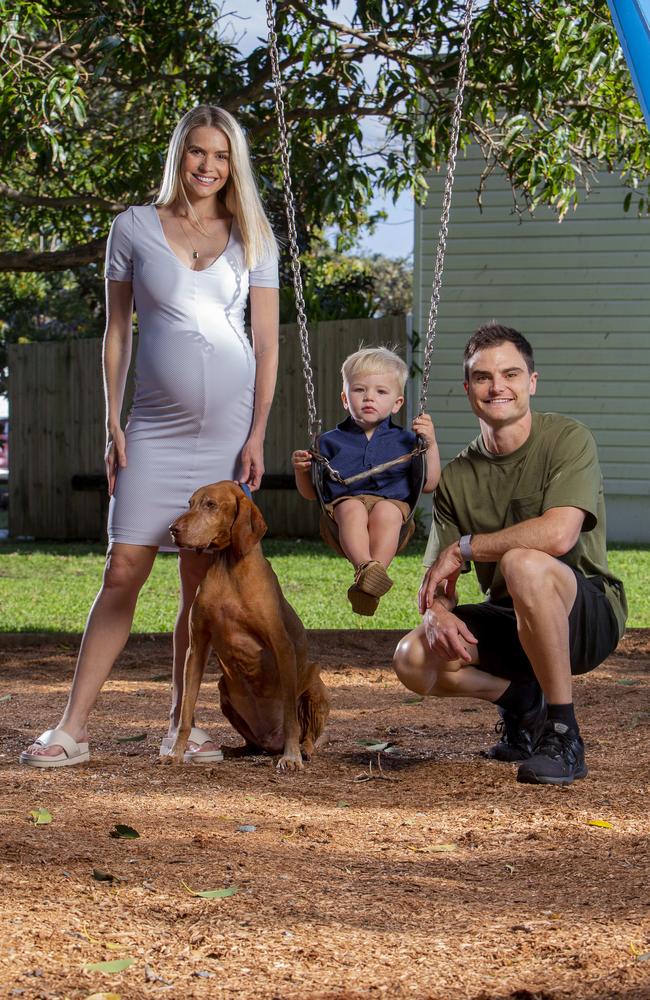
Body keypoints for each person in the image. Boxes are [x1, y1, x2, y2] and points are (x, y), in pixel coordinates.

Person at [20, 105, 279, 767]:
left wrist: (258, 433)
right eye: (197, 152)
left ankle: (182, 726)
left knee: (200, 586)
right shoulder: (132, 227)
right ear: (179, 154)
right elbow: (117, 332)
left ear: (233, 164)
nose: (208, 166)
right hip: (155, 429)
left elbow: (267, 344)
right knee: (123, 569)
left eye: (221, 156)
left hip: (224, 432)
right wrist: (113, 420)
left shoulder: (253, 233)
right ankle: (72, 729)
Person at [392, 324, 627, 786]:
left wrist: (468, 548)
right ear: (468, 389)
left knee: (522, 561)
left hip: (585, 613)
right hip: (511, 617)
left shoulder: (567, 439)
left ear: (531, 383)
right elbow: (438, 579)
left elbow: (559, 535)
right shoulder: (457, 476)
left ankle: (564, 734)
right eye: (483, 377)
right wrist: (437, 613)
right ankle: (522, 701)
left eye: (511, 374)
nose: (497, 386)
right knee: (412, 657)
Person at [292, 347, 440, 615]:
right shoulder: (327, 441)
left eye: (381, 392)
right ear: (345, 399)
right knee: (352, 508)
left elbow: (429, 483)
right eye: (360, 390)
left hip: (392, 505)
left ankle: (372, 579)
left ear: (397, 403)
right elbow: (311, 494)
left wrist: (430, 442)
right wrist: (302, 471)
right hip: (344, 506)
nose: (369, 397)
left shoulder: (408, 441)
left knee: (386, 511)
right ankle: (366, 568)